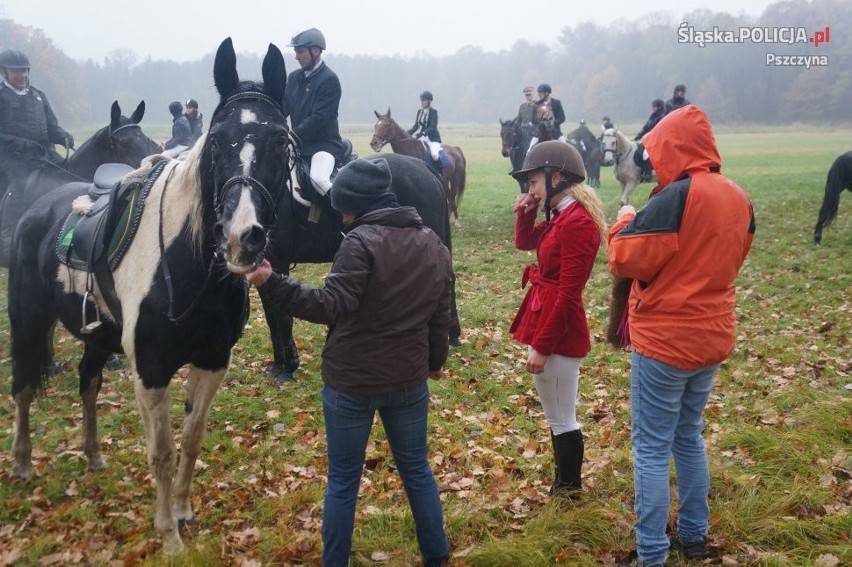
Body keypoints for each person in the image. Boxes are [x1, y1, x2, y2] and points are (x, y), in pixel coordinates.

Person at [245, 157, 452, 567]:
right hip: (409, 380)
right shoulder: (433, 243)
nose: (339, 213)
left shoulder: (358, 243)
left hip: (350, 385)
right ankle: (437, 556)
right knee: (417, 470)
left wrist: (274, 282)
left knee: (343, 480)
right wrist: (434, 361)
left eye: (343, 206)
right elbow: (440, 314)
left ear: (357, 204)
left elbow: (331, 305)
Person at [608, 106, 755, 567]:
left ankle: (652, 552)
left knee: (650, 447)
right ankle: (694, 536)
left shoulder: (676, 198)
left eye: (657, 148)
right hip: (711, 336)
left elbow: (625, 259)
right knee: (688, 436)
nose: (652, 158)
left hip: (666, 341)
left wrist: (624, 220)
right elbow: (734, 257)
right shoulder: (738, 196)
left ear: (673, 147)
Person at [509, 141, 608, 498]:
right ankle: (564, 484)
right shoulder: (559, 217)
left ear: (557, 177)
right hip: (546, 313)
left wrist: (542, 346)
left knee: (562, 415)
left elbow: (570, 294)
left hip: (559, 326)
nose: (530, 189)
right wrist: (526, 211)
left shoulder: (577, 223)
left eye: (534, 182)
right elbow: (525, 244)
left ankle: (568, 488)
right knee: (556, 413)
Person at [0, 48, 75, 189]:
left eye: (25, 71)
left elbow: (52, 126)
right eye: (17, 71)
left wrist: (63, 136)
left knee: (70, 175)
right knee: (20, 191)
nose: (23, 75)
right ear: (4, 72)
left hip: (44, 154)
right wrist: (25, 145)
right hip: (12, 160)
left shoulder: (38, 95)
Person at [284, 27, 346, 199]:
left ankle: (343, 219)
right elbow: (283, 108)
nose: (296, 56)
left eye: (300, 51)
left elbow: (319, 119)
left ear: (316, 51)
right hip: (297, 145)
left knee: (318, 180)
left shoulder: (329, 80)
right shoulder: (293, 78)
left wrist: (293, 135)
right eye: (296, 51)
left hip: (323, 145)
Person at [407, 90, 443, 162]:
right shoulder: (419, 112)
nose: (422, 102)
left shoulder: (434, 112)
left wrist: (423, 133)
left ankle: (439, 171)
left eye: (424, 100)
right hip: (422, 138)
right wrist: (407, 133)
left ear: (429, 101)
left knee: (435, 155)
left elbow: (432, 127)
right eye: (421, 100)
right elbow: (416, 126)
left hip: (433, 139)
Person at [634, 99, 665, 181]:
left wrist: (650, 136)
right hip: (649, 139)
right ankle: (642, 171)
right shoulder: (653, 116)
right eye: (653, 106)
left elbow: (658, 130)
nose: (653, 108)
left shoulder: (661, 117)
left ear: (659, 107)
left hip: (657, 141)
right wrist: (639, 135)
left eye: (654, 106)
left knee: (646, 154)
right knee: (639, 151)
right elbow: (646, 127)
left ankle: (648, 173)